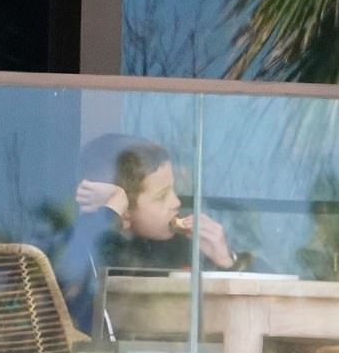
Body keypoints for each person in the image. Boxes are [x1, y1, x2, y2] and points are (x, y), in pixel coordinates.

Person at [58, 134, 248, 333]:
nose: (176, 202)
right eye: (162, 196)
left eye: (173, 191)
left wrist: (226, 262)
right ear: (124, 210)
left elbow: (231, 318)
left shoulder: (183, 247)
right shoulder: (89, 245)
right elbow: (70, 282)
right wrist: (107, 213)